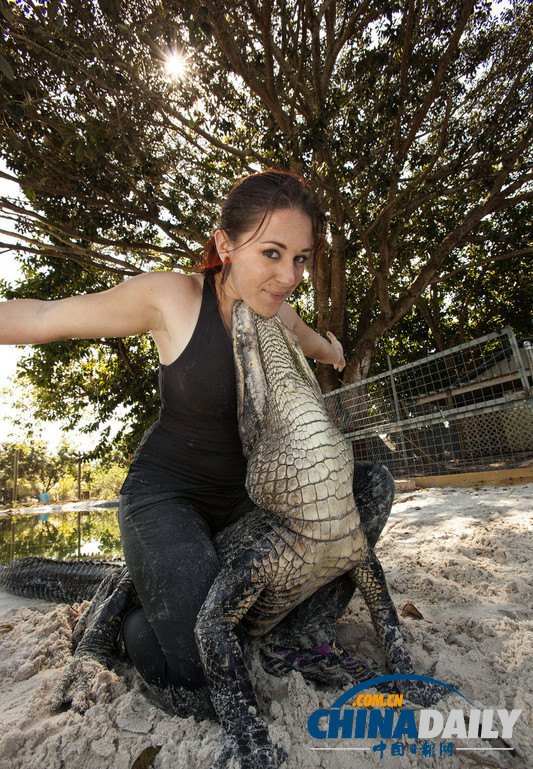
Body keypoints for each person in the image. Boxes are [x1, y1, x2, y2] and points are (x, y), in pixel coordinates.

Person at [0, 170, 392, 708]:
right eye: (273, 253)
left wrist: (335, 352)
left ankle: (293, 631)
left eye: (301, 258)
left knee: (369, 486)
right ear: (225, 244)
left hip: (248, 504)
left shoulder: (278, 310)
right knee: (202, 673)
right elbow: (49, 315)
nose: (289, 276)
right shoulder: (172, 297)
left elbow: (314, 343)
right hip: (167, 497)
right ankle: (131, 613)